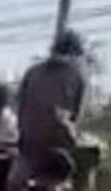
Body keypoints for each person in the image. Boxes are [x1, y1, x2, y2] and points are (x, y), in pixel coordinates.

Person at [17, 29, 88, 171]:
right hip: (57, 144)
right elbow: (77, 115)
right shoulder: (77, 74)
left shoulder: (32, 72)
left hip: (28, 144)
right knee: (87, 159)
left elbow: (20, 108)